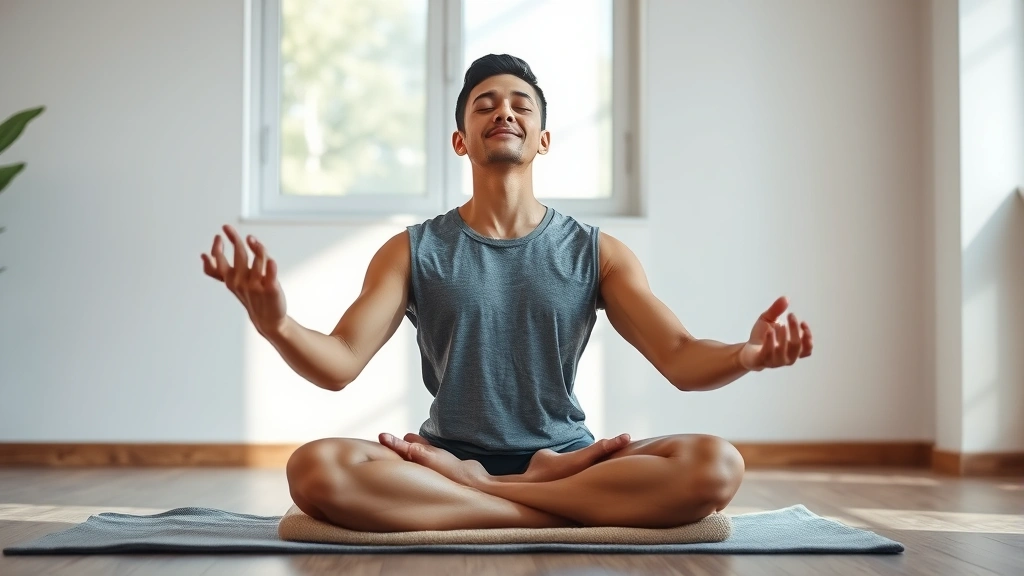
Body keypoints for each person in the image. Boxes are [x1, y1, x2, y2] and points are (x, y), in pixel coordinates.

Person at [201, 54, 813, 532]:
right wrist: (277, 324)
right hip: (442, 456)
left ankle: (485, 498)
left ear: (542, 139)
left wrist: (745, 355)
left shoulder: (595, 252)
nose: (505, 112)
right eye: (484, 105)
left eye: (521, 104)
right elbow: (340, 362)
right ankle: (549, 509)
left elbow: (679, 355)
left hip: (562, 456)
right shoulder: (412, 250)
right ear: (460, 140)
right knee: (314, 469)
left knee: (717, 464)